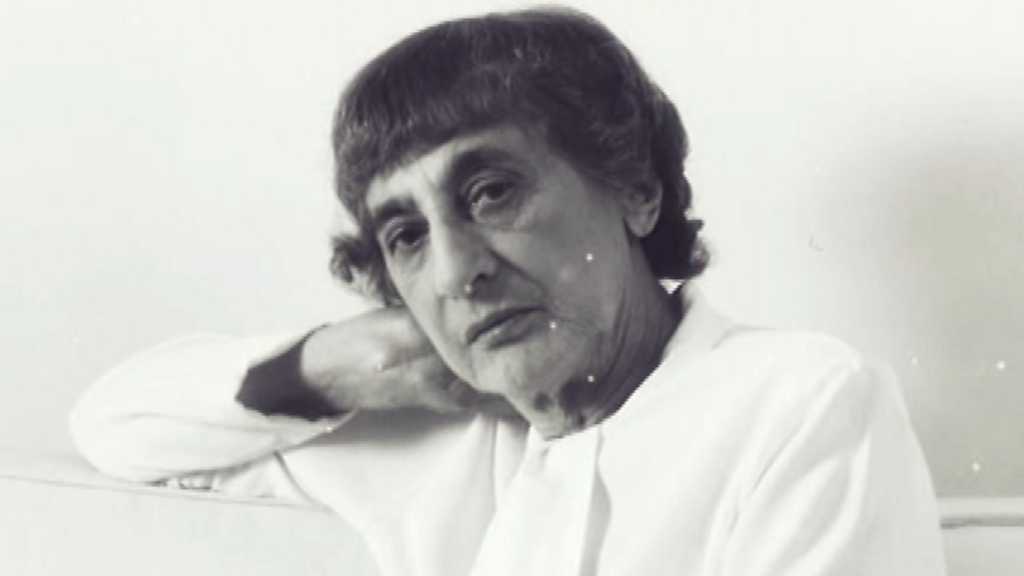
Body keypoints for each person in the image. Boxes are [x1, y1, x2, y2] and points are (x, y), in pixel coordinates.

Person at [70, 8, 947, 575]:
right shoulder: (429, 442)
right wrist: (354, 362)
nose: (456, 272)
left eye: (491, 193)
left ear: (636, 189)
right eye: (406, 236)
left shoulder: (795, 401)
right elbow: (115, 427)